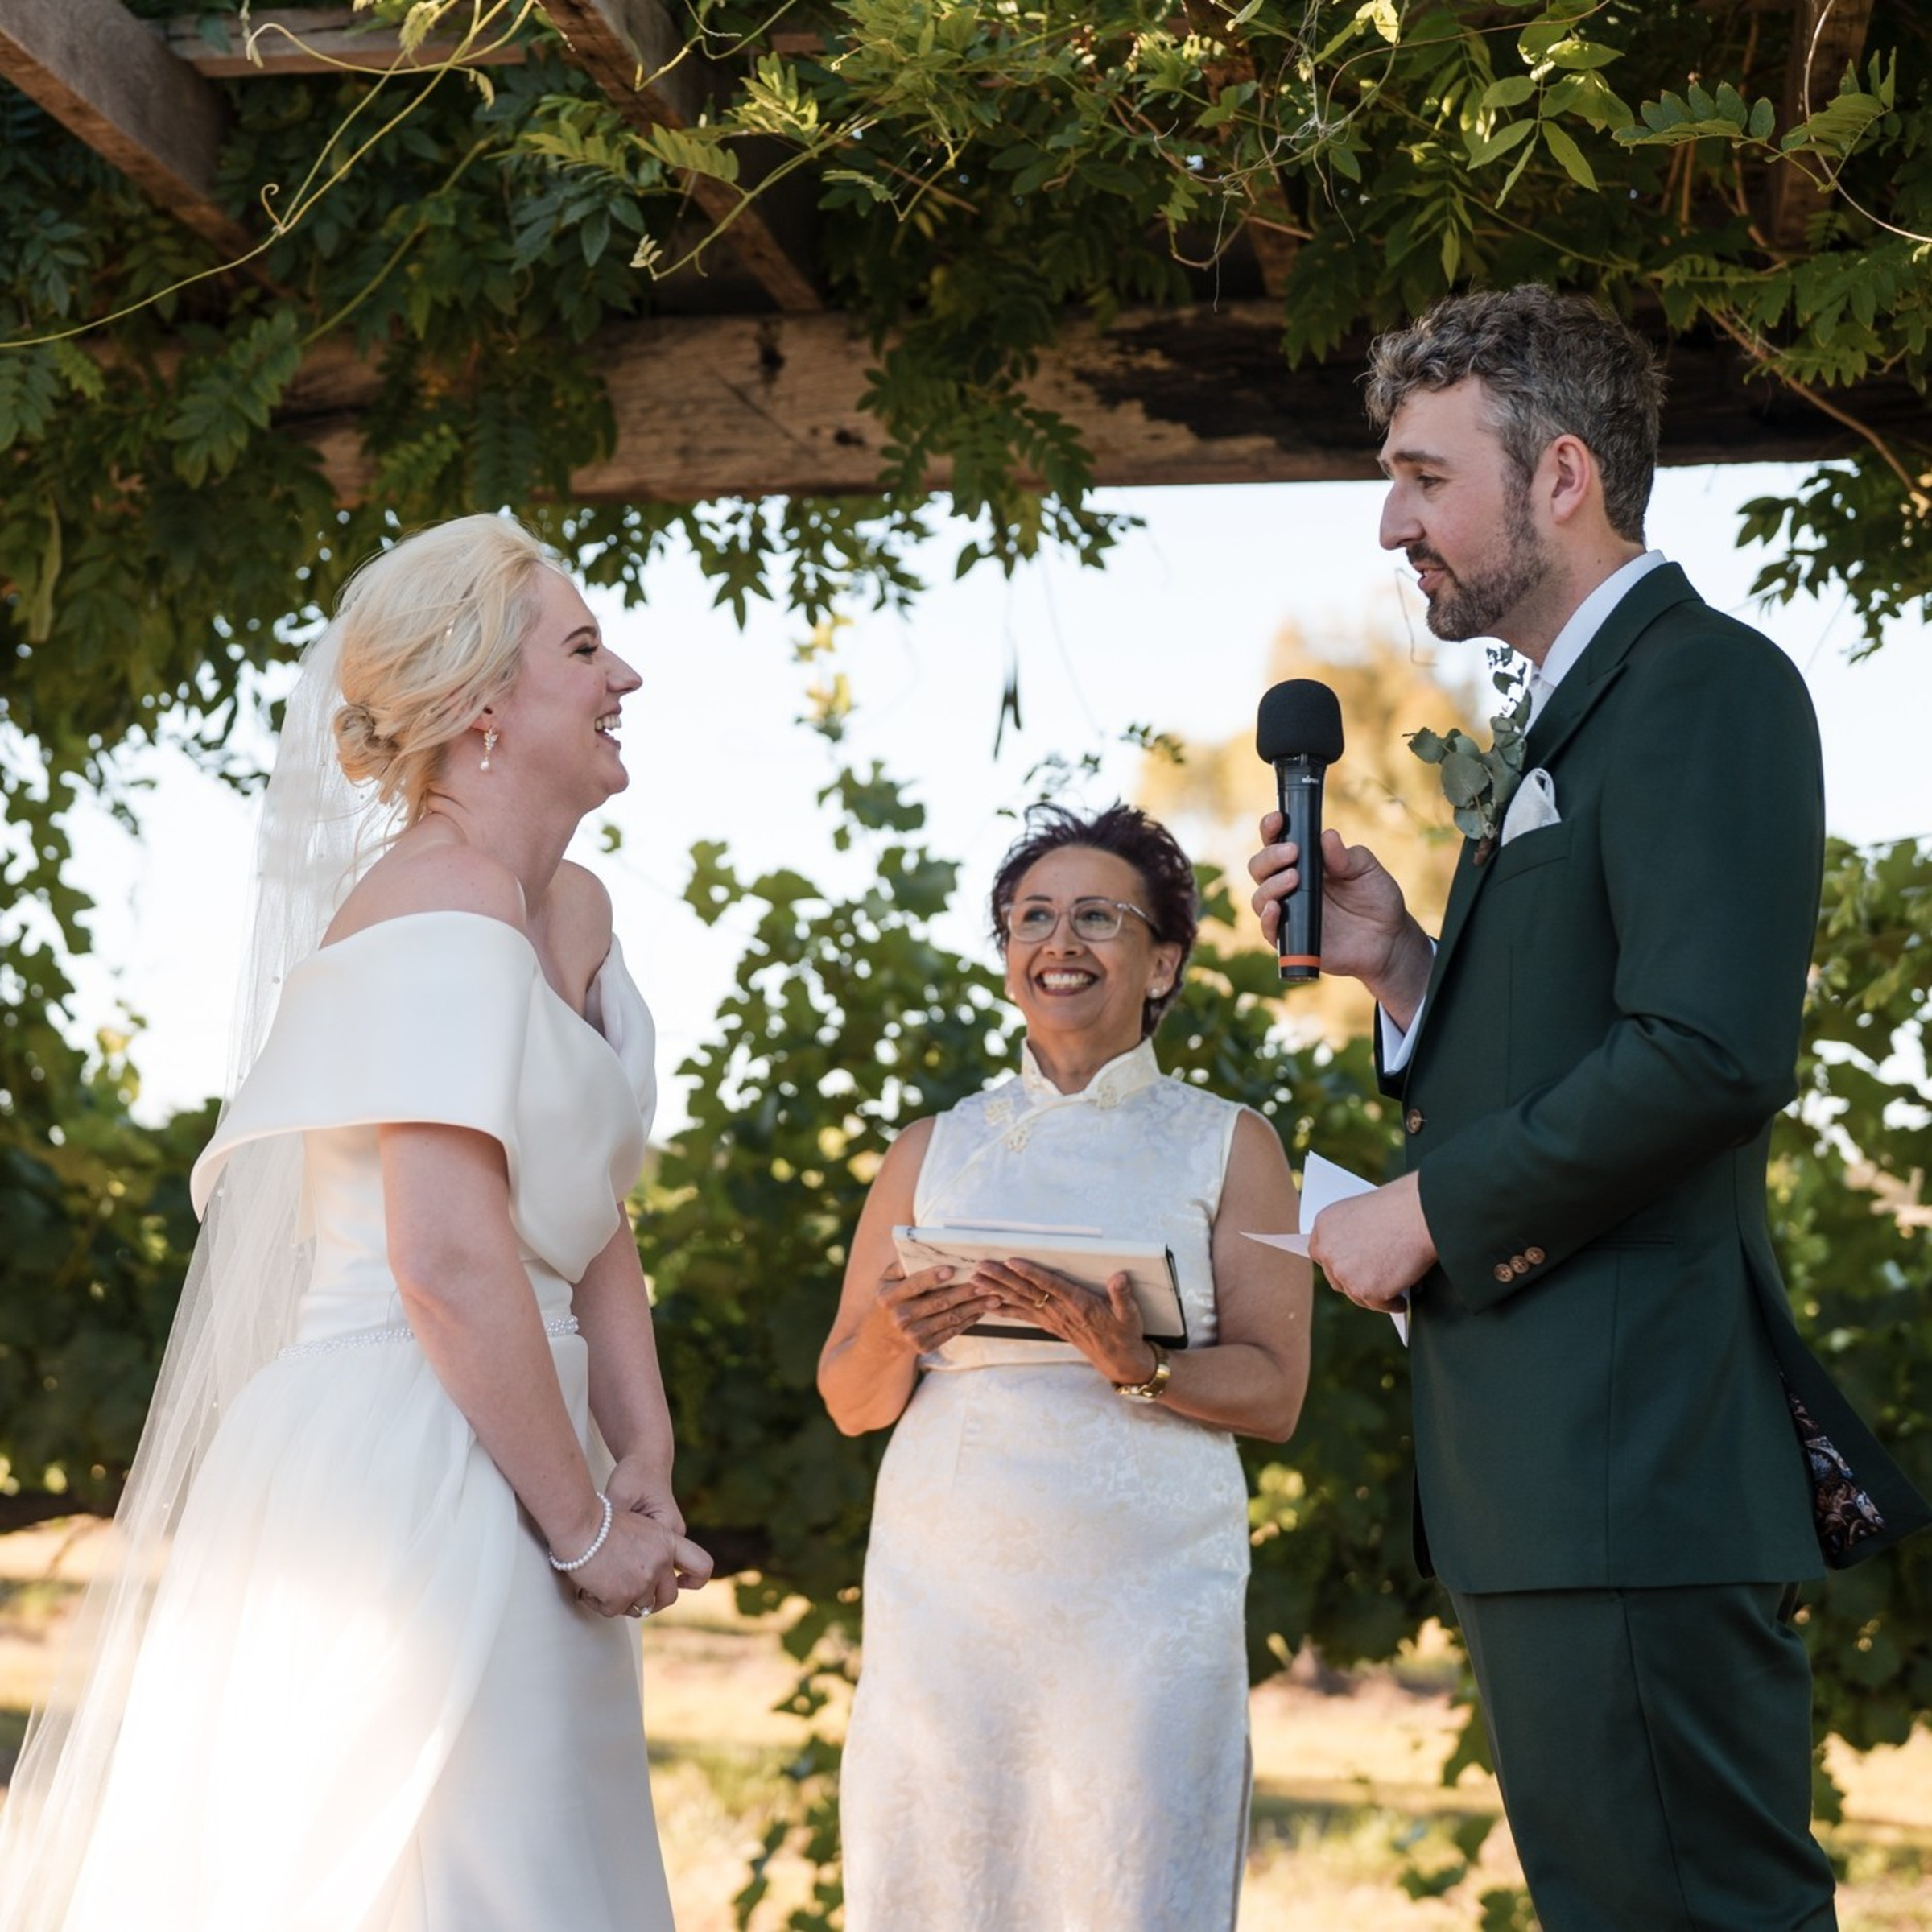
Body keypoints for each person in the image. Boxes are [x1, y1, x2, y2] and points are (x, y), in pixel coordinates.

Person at [1248, 285, 1929, 1930]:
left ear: (1561, 476)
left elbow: (1705, 1053)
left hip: (1630, 1457)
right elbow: (1577, 1046)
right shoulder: (1556, 711)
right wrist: (1407, 967)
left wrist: (1425, 1213)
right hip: (1545, 1474)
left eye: (1425, 476)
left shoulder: (1706, 688)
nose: (1390, 520)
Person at [0, 514, 711, 1931]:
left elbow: (593, 1217)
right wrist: (578, 1532)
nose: (624, 672)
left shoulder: (571, 911)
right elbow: (443, 1259)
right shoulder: (434, 901)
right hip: (416, 1449)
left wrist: (642, 1453)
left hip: (535, 1438)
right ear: (481, 709)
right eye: (583, 648)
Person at [821, 802, 1313, 1932]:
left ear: (1164, 962)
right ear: (1006, 959)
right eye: (1033, 917)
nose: (1061, 941)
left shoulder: (1230, 1144)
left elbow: (1277, 1389)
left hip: (1145, 1606)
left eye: (1099, 916)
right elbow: (851, 1401)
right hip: (948, 1595)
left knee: (1127, 1882)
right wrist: (900, 1332)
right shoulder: (929, 1149)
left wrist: (1138, 1366)